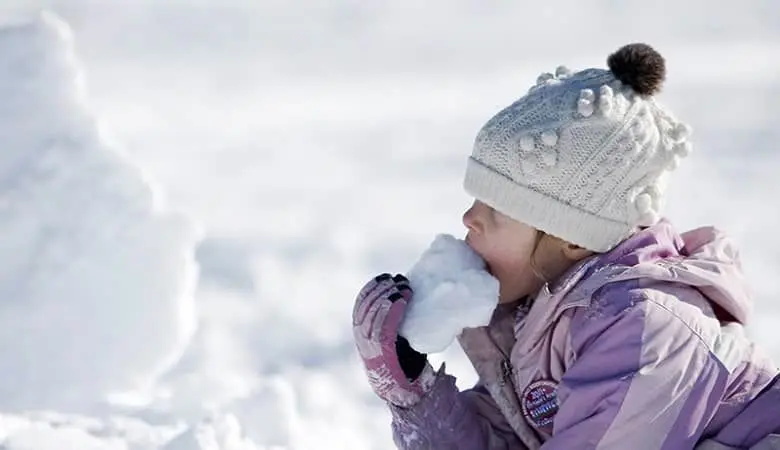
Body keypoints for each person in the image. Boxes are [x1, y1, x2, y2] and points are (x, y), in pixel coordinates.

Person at [351, 43, 780, 449]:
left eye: (497, 210)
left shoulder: (644, 328)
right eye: (475, 201)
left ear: (574, 237)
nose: (469, 220)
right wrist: (413, 393)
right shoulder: (540, 317)